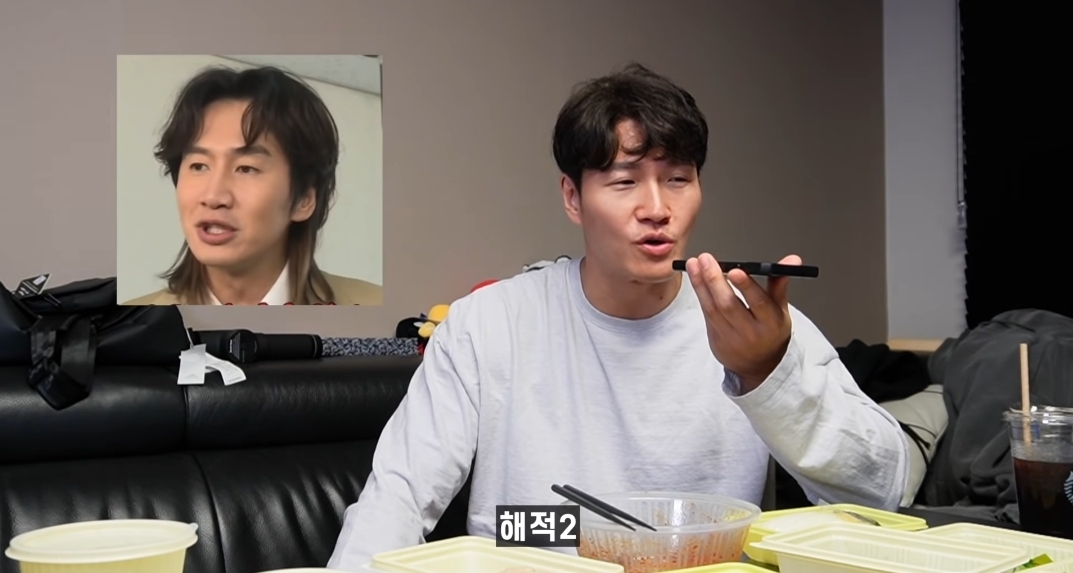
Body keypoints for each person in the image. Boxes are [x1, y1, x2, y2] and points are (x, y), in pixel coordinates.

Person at [327, 63, 909, 569]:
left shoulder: (755, 326)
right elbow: (397, 500)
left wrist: (767, 377)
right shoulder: (488, 325)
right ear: (573, 197)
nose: (656, 208)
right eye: (625, 181)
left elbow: (885, 490)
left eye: (677, 179)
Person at [123, 66, 382, 306]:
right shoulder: (122, 327)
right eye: (199, 166)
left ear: (304, 199)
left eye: (246, 168)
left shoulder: (381, 311)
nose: (213, 196)